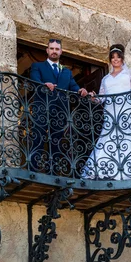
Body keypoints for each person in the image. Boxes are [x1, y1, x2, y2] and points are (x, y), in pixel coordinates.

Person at [81, 44, 131, 181]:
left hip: (125, 110)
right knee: (108, 138)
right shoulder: (105, 79)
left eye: (118, 57)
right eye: (113, 58)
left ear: (122, 59)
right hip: (110, 112)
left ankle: (127, 173)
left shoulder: (129, 73)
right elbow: (101, 99)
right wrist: (93, 96)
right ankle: (104, 170)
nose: (115, 60)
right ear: (110, 60)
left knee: (126, 138)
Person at [29, 38, 88, 174]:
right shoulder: (38, 66)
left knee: (56, 142)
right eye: (51, 48)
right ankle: (33, 171)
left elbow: (73, 87)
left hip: (60, 111)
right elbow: (34, 79)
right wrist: (43, 85)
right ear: (47, 50)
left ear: (61, 52)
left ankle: (54, 172)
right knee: (38, 138)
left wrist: (82, 90)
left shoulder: (67, 72)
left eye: (57, 49)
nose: (54, 51)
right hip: (42, 109)